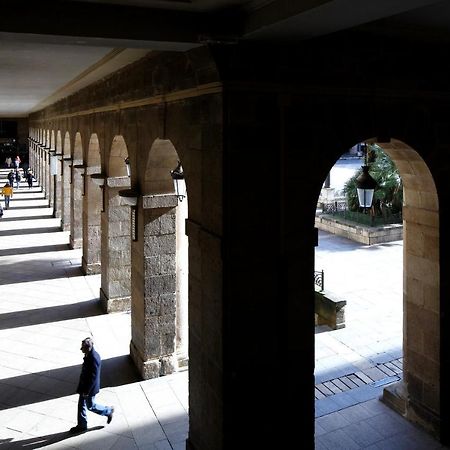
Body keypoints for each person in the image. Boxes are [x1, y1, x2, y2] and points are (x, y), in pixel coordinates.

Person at [70, 337, 114, 433]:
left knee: (91, 406)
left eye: (83, 348)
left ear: (88, 347)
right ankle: (82, 425)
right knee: (82, 405)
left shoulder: (93, 358)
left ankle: (108, 411)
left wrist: (86, 391)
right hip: (84, 386)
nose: (81, 349)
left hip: (88, 389)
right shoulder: (89, 355)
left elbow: (92, 378)